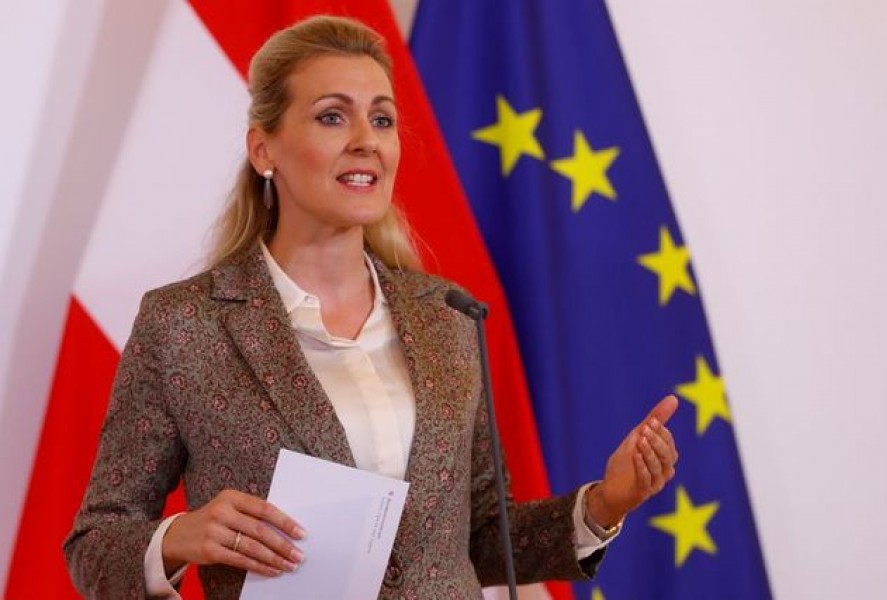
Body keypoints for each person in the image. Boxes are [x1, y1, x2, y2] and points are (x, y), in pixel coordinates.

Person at [64, 15, 679, 599]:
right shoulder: (184, 325)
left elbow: (481, 536)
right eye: (333, 117)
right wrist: (179, 537)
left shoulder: (448, 316)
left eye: (382, 120)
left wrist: (605, 503)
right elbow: (95, 542)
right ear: (264, 150)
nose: (366, 141)